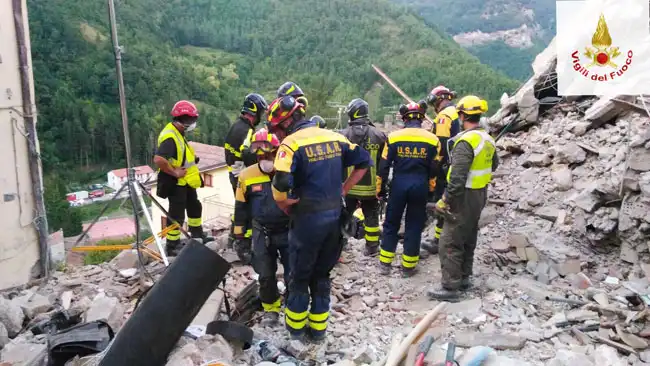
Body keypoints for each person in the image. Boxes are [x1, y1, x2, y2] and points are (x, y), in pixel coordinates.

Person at [267, 95, 371, 341]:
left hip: (307, 221)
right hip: (335, 217)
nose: (278, 134)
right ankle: (319, 330)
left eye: (278, 128)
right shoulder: (335, 137)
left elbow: (280, 183)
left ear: (287, 121)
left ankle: (295, 330)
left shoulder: (291, 145)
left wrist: (283, 203)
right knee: (322, 275)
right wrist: (343, 189)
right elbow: (364, 161)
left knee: (300, 277)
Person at [427, 95, 499, 302]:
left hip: (463, 196)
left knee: (449, 240)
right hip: (480, 194)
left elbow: (457, 178)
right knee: (468, 236)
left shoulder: (465, 141)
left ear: (462, 115)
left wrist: (445, 200)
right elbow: (494, 165)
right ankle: (464, 278)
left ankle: (450, 287)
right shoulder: (487, 139)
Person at [377, 101, 441, 277]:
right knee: (414, 225)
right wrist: (430, 190)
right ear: (421, 118)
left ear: (404, 118)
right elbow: (434, 169)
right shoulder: (432, 139)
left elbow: (383, 167)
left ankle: (385, 264)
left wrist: (380, 190)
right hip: (420, 185)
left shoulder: (393, 137)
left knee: (391, 223)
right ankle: (408, 266)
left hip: (399, 184)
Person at [233, 129, 290, 326]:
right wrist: (239, 238)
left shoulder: (288, 172)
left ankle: (293, 306)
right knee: (265, 274)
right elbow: (240, 208)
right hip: (261, 232)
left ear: (276, 153)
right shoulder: (246, 176)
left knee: (294, 271)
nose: (265, 159)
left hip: (288, 229)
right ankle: (271, 309)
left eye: (269, 155)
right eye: (261, 156)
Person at [154, 100, 212, 255]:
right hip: (176, 182)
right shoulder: (170, 136)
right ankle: (172, 245)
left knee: (194, 206)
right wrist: (174, 172)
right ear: (183, 119)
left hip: (185, 181)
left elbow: (181, 155)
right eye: (191, 120)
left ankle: (197, 235)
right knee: (176, 214)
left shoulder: (178, 132)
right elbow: (159, 159)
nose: (193, 123)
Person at [339, 98, 387, 256]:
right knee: (371, 216)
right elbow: (383, 163)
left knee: (344, 216)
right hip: (371, 188)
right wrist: (382, 188)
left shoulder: (343, 135)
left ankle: (341, 244)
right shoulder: (380, 136)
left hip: (349, 186)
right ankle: (372, 246)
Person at [224, 93, 268, 260]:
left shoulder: (235, 126)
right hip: (242, 174)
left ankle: (233, 237)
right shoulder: (247, 131)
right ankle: (244, 246)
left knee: (239, 207)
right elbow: (248, 154)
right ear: (255, 111)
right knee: (248, 210)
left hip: (233, 172)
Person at [422, 86, 461, 255]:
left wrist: (434, 168)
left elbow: (442, 146)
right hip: (456, 165)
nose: (433, 107)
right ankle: (445, 238)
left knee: (441, 202)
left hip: (445, 168)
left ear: (439, 100)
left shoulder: (444, 117)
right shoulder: (456, 112)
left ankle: (439, 241)